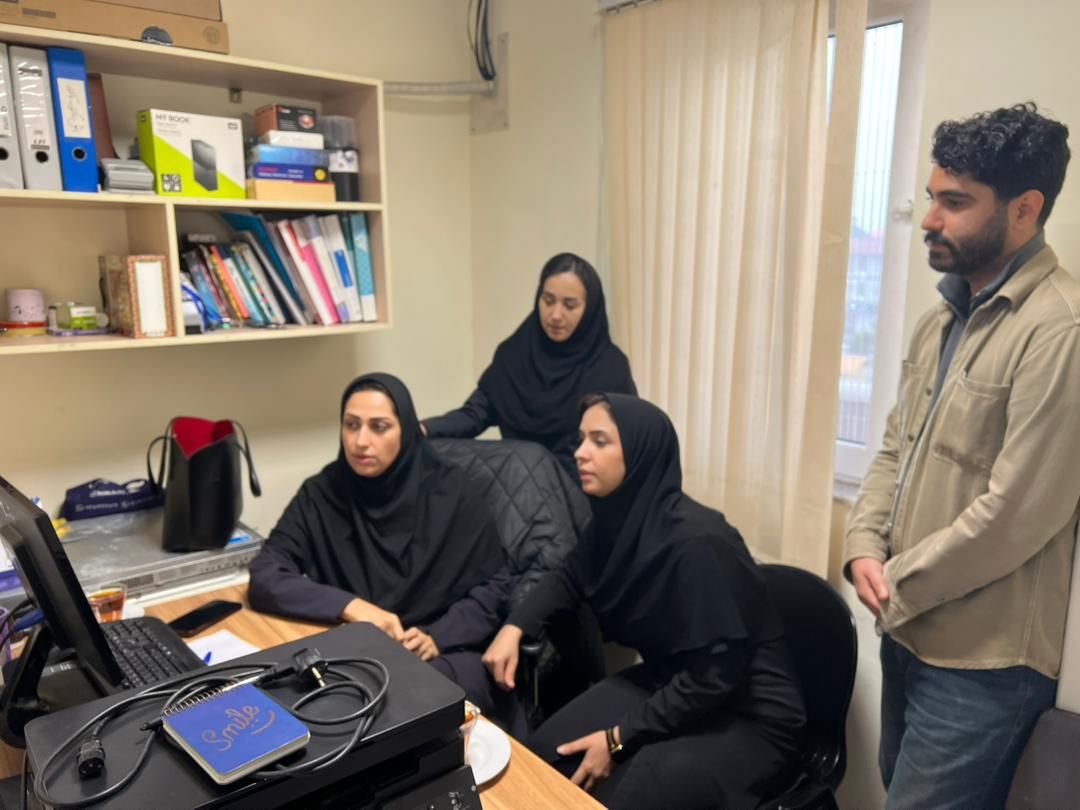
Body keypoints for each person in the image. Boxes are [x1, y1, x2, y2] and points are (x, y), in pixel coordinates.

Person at [844, 103, 1080, 810]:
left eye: (954, 202)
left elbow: (1017, 514)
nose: (929, 219)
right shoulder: (942, 317)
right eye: (931, 197)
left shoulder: (1060, 330)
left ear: (1025, 210)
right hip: (908, 634)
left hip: (983, 666)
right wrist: (862, 543)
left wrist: (895, 583)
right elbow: (896, 446)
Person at [483, 393, 805, 808]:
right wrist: (515, 627)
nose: (579, 452)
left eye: (600, 441)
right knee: (544, 756)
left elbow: (714, 676)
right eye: (581, 439)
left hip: (748, 712)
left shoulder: (700, 543)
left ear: (640, 454)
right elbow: (568, 576)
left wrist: (617, 739)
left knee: (622, 793)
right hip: (673, 681)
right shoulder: (617, 522)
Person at [248, 372, 525, 736]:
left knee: (396, 713)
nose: (361, 441)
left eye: (379, 427)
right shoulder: (324, 491)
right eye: (351, 425)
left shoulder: (451, 490)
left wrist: (437, 636)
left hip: (442, 653)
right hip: (355, 653)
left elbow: (495, 586)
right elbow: (266, 573)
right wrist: (351, 606)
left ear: (405, 431)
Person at [422, 253, 637, 477]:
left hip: (582, 490)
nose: (555, 315)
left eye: (570, 305)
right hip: (516, 488)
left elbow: (624, 445)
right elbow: (475, 414)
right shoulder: (514, 354)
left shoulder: (610, 369)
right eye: (548, 301)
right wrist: (424, 429)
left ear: (589, 309)